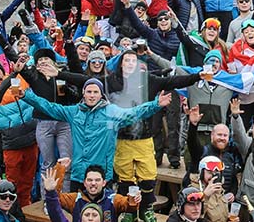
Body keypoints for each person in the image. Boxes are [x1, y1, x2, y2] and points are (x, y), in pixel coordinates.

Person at [16, 78, 172, 189]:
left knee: (102, 215)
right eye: (89, 91)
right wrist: (26, 96)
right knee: (78, 216)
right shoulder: (74, 112)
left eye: (95, 92)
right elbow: (49, 107)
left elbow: (135, 112)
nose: (92, 95)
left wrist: (155, 104)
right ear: (83, 93)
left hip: (102, 175)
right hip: (79, 174)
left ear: (101, 94)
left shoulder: (112, 112)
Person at [42, 167, 120, 222]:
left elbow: (127, 204)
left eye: (95, 215)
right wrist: (51, 192)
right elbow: (57, 216)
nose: (90, 218)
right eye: (86, 215)